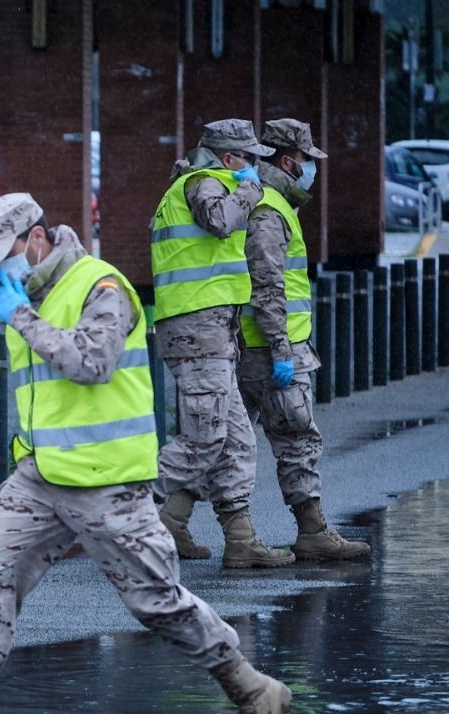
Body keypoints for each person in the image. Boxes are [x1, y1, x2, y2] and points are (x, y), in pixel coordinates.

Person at [0, 193, 292, 714]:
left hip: (107, 480)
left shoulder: (101, 287)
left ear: (36, 238)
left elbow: (92, 365)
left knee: (157, 601)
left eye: (7, 256)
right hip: (40, 476)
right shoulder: (30, 296)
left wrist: (23, 320)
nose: (0, 273)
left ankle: (253, 690)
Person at [150, 119, 294, 569]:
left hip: (211, 331)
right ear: (230, 158)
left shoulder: (203, 182)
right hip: (196, 331)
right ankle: (119, 506)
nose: (255, 167)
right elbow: (220, 221)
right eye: (250, 159)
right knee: (204, 437)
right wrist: (248, 191)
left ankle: (240, 539)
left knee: (235, 439)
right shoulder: (203, 184)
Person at [237, 118, 369, 561]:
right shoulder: (270, 210)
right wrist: (280, 350)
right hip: (274, 348)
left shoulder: (272, 203)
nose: (311, 169)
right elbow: (267, 286)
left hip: (262, 345)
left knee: (222, 442)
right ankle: (311, 531)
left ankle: (175, 522)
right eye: (307, 160)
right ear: (288, 160)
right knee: (296, 439)